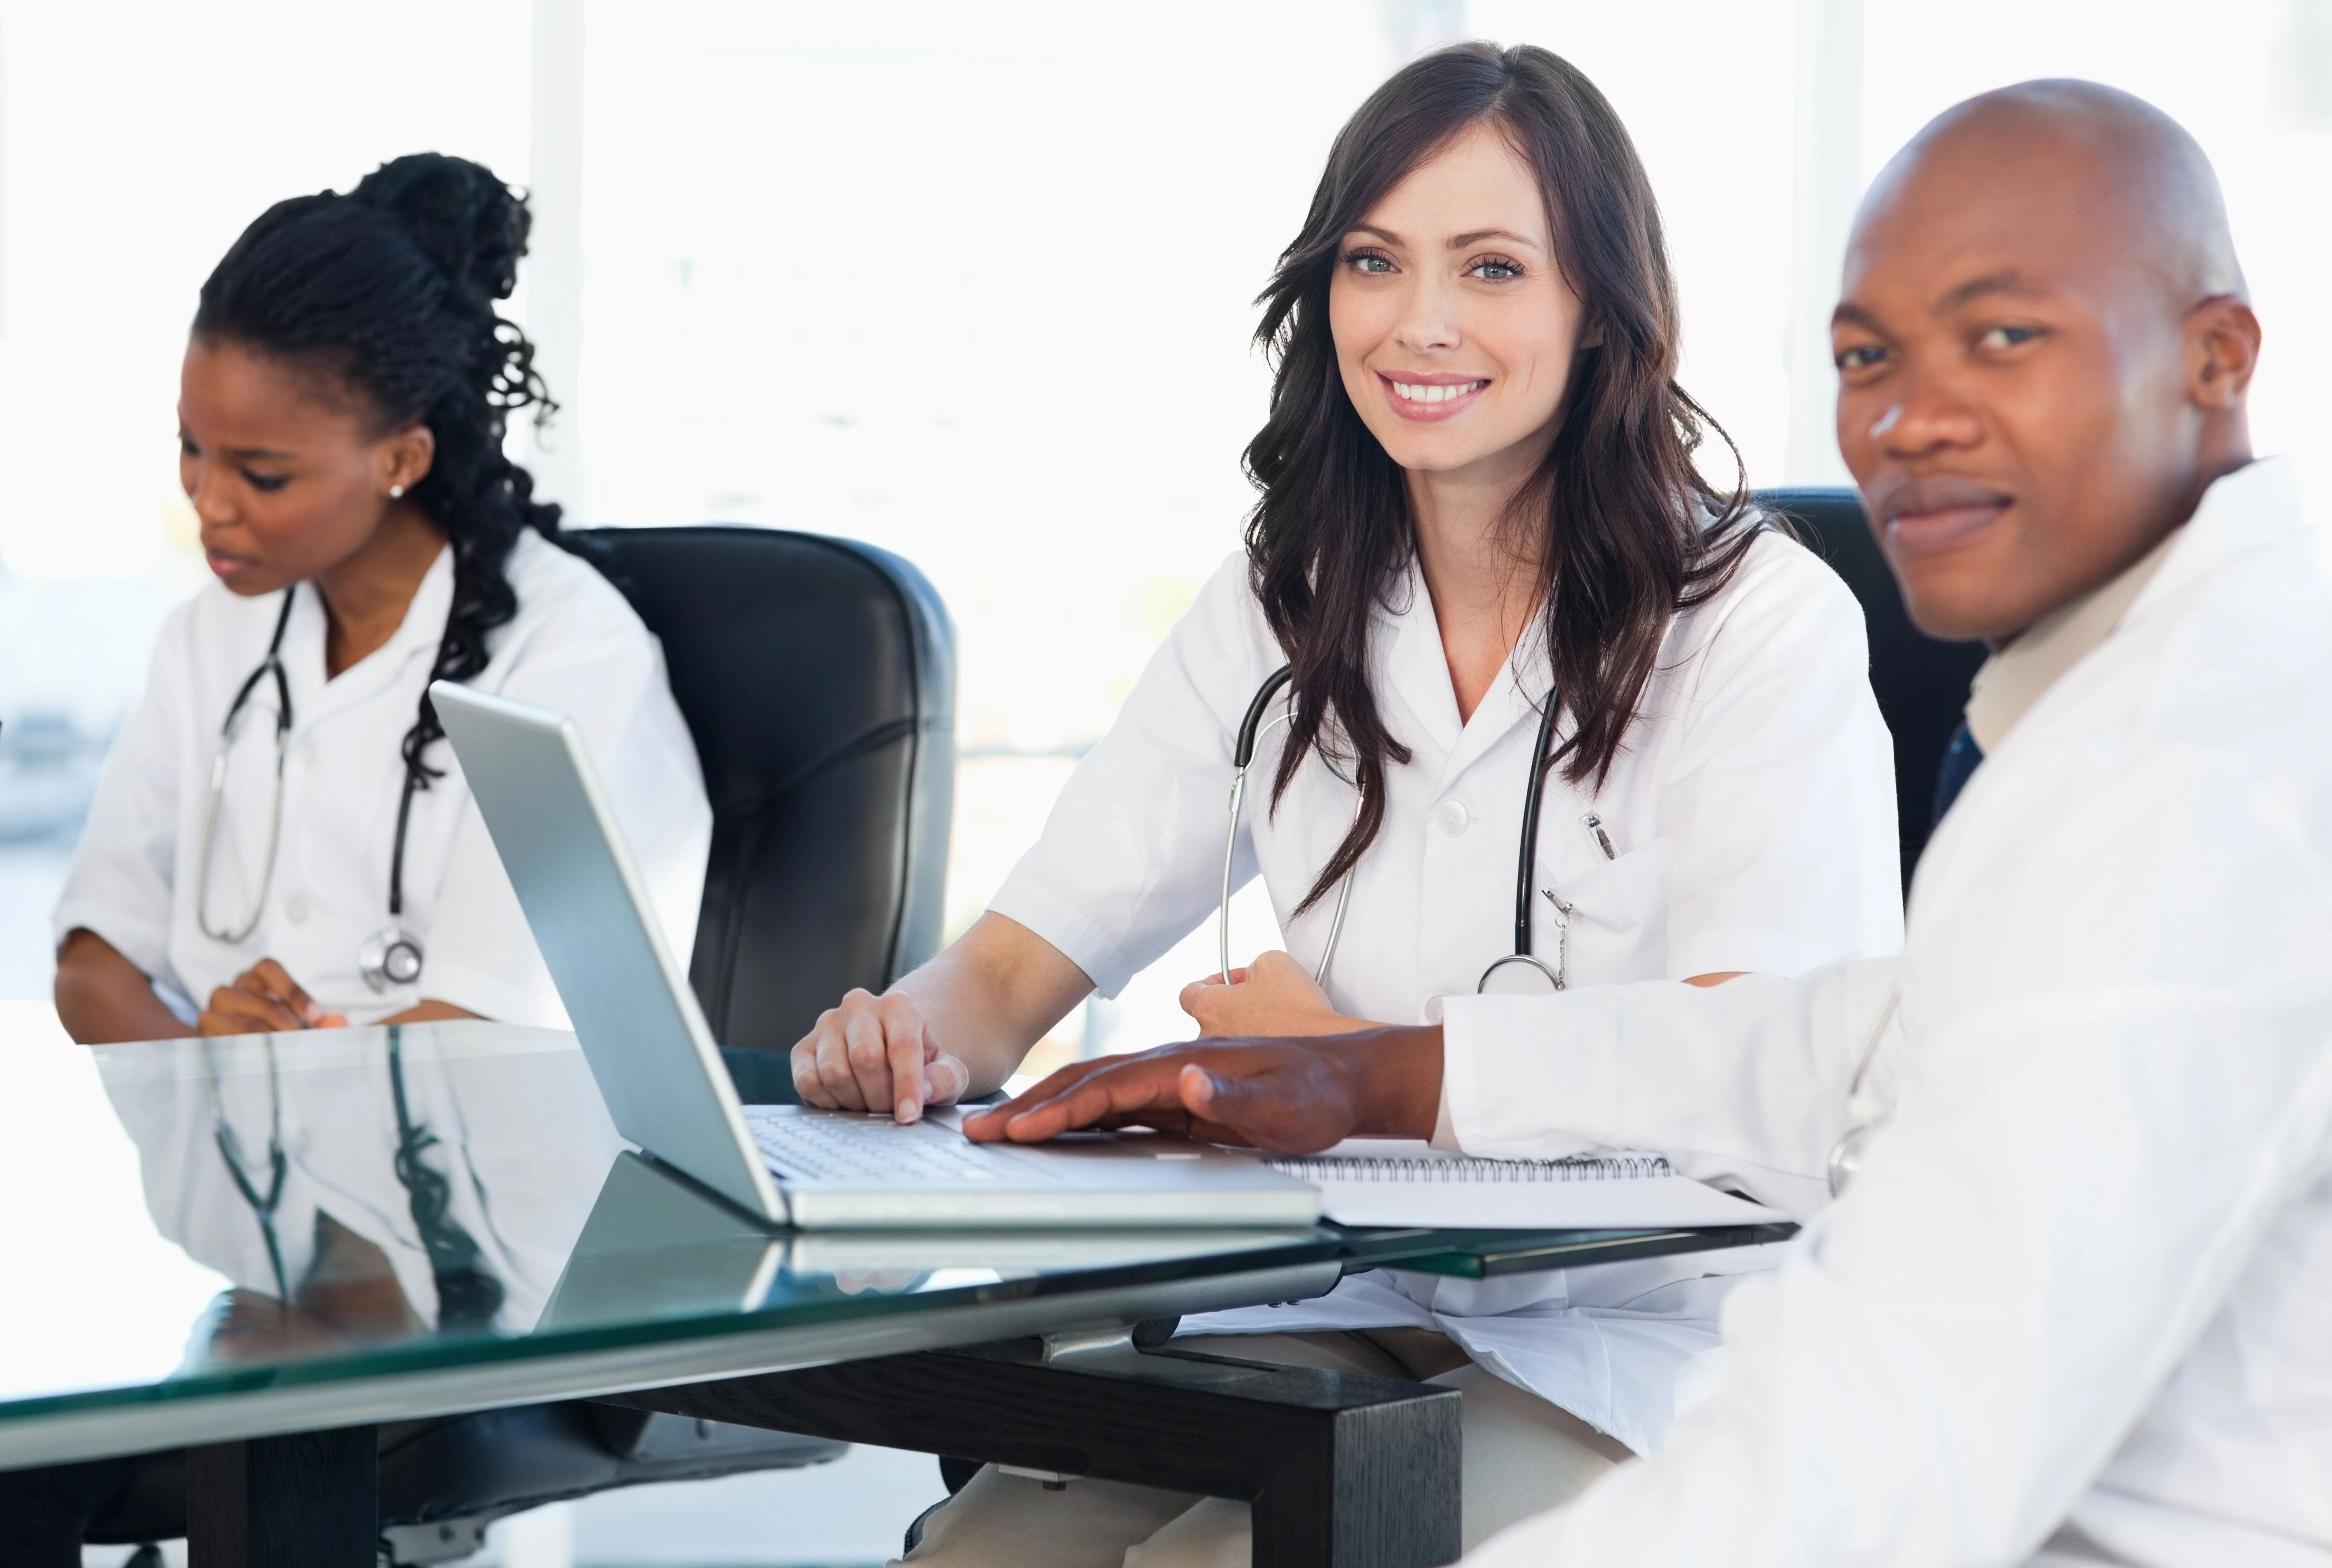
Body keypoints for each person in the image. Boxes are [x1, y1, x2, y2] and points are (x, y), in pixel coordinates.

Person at [970, 79, 2329, 1567]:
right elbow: (1833, 1039)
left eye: (2004, 335)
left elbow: (1901, 1437)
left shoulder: (2194, 778)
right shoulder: (2163, 693)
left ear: (2218, 356)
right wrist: (1380, 1075)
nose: (1907, 417)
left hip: (1753, 1389)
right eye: (1866, 354)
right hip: (1390, 1307)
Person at [802, 43, 1905, 1558]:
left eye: (1495, 266)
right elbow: (1013, 967)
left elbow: (1768, 1067)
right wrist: (902, 1037)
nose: (1421, 321)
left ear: (1601, 311)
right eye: (1375, 260)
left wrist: (1374, 1068)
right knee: (991, 1551)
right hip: (1361, 1295)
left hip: (1674, 1338)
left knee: (1220, 1556)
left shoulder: (1758, 621)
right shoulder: (1286, 596)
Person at [50, 153, 707, 1044]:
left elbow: (489, 1036)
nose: (208, 501)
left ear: (403, 459)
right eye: (192, 447)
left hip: (483, 1174)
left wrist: (272, 1083)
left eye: (264, 474)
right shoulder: (211, 634)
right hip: (231, 1169)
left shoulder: (572, 656)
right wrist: (219, 1081)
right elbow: (93, 963)